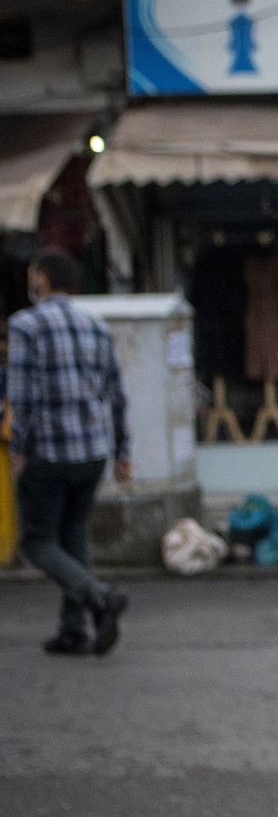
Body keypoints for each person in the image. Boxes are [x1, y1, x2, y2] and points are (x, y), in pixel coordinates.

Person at [8, 249, 131, 656]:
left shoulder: (26, 325)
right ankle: (72, 628)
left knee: (37, 541)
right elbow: (116, 393)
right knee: (73, 534)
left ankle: (98, 596)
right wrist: (122, 450)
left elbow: (23, 398)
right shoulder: (96, 325)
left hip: (49, 451)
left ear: (40, 278)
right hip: (92, 451)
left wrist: (20, 450)